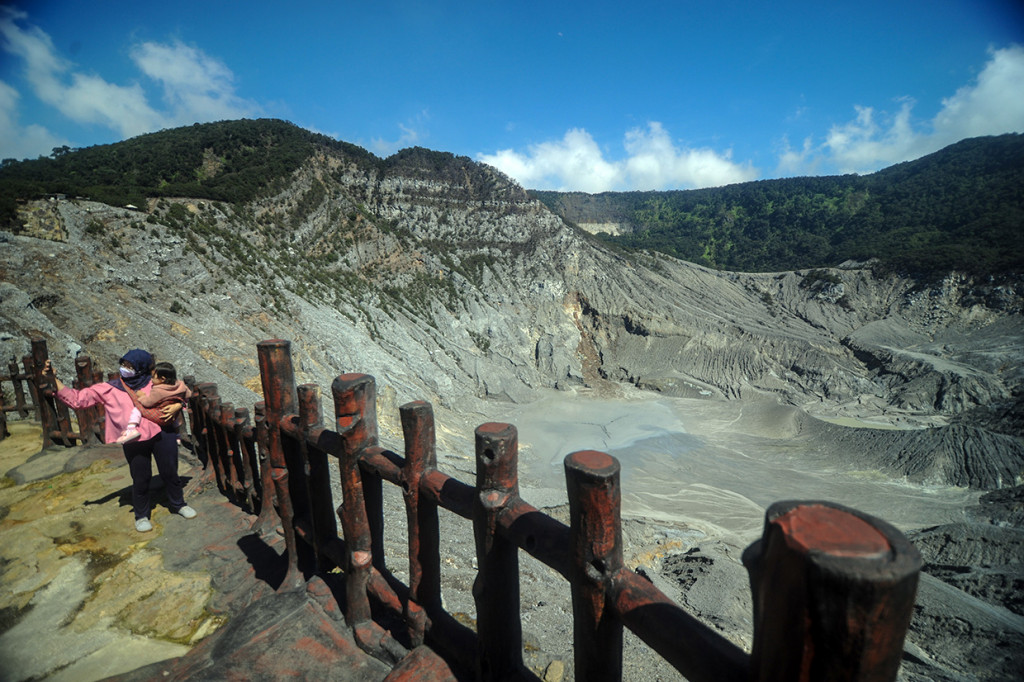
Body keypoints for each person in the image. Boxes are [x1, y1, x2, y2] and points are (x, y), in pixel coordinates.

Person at [44, 349, 197, 532]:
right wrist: (55, 380)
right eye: (124, 364)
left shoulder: (156, 382)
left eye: (130, 366)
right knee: (140, 477)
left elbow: (180, 392)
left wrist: (178, 405)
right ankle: (141, 515)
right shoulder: (110, 388)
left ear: (142, 367)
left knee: (170, 471)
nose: (125, 369)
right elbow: (78, 400)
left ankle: (178, 504)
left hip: (163, 433)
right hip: (133, 438)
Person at [117, 361, 191, 444]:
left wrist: (141, 396)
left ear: (162, 379)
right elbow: (188, 395)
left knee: (136, 410)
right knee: (176, 420)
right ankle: (178, 436)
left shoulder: (158, 390)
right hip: (170, 418)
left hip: (160, 417)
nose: (151, 380)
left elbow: (148, 403)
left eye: (153, 377)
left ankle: (131, 429)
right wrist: (180, 403)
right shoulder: (181, 385)